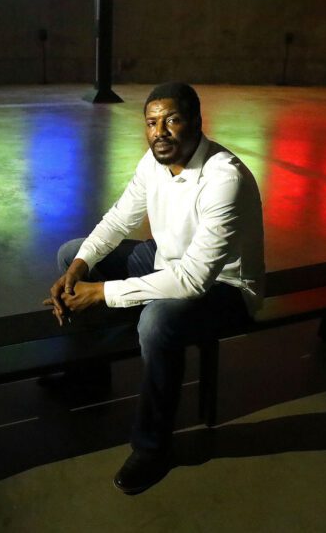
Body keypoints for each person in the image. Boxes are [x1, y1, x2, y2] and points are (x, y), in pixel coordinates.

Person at [45, 82, 265, 495]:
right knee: (71, 252)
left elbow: (194, 279)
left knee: (157, 321)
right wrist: (80, 267)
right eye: (151, 122)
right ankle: (89, 375)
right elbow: (119, 219)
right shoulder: (154, 162)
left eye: (172, 120)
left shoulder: (224, 178)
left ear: (197, 124)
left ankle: (154, 447)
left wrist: (102, 293)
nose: (159, 131)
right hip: (166, 257)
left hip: (227, 287)